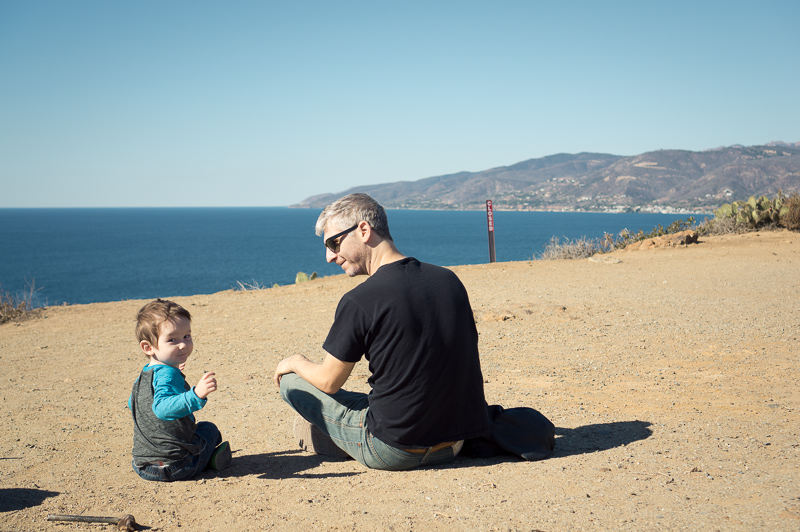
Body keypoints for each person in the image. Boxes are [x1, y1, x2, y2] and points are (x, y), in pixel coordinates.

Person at [274, 193, 490, 470]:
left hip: (394, 449)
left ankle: (326, 438)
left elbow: (329, 383)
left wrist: (294, 361)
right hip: (453, 444)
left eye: (333, 243)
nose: (329, 256)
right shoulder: (449, 280)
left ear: (363, 230)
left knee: (293, 382)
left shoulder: (361, 300)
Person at [129, 299, 231, 481]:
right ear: (148, 347)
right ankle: (207, 461)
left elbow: (133, 404)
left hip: (143, 465)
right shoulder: (167, 375)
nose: (183, 344)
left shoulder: (145, 374)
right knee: (209, 430)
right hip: (178, 465)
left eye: (187, 336)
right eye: (172, 340)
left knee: (198, 431)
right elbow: (161, 409)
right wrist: (195, 395)